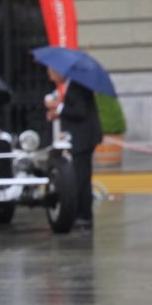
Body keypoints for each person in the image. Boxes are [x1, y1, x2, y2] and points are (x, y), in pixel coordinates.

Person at [48, 68, 100, 232]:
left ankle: (84, 217)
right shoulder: (72, 86)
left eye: (52, 73)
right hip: (80, 138)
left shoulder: (77, 87)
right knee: (78, 177)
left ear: (60, 72)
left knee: (81, 179)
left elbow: (80, 112)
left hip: (84, 139)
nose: (50, 77)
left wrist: (59, 107)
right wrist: (58, 112)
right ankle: (80, 215)